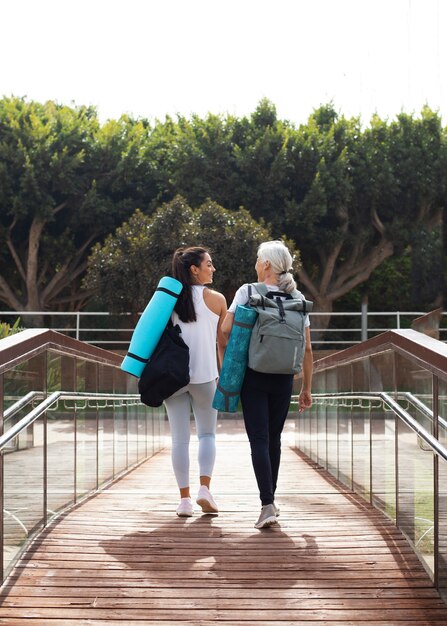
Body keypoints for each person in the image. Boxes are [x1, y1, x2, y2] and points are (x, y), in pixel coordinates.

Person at [221, 240, 313, 529]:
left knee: (259, 440)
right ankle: (270, 500)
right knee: (274, 439)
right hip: (285, 378)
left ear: (266, 265)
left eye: (258, 259)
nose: (256, 263)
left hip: (255, 376)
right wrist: (306, 388)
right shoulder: (298, 298)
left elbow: (225, 329)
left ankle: (267, 503)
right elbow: (307, 350)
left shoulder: (247, 291)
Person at [164, 246, 227, 517]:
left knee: (179, 440)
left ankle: (185, 501)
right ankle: (205, 489)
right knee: (207, 434)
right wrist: (226, 377)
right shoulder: (218, 300)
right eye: (209, 264)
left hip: (172, 377)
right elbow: (224, 343)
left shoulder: (168, 299)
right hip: (205, 376)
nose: (213, 269)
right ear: (195, 268)